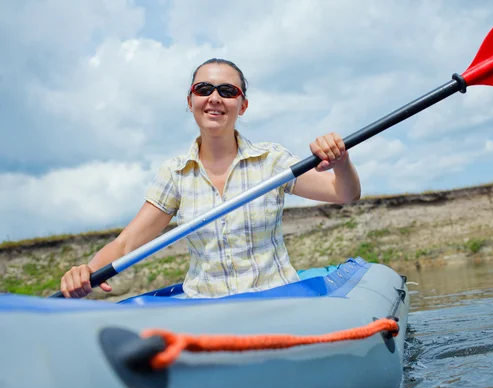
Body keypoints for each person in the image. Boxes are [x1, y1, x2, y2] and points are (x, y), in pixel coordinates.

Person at [60, 58, 361, 299]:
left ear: (242, 105)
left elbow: (344, 193)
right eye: (204, 89)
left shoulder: (272, 161)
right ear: (190, 100)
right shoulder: (175, 174)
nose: (215, 98)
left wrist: (341, 160)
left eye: (228, 91)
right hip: (206, 311)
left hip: (276, 300)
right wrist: (86, 270)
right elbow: (126, 244)